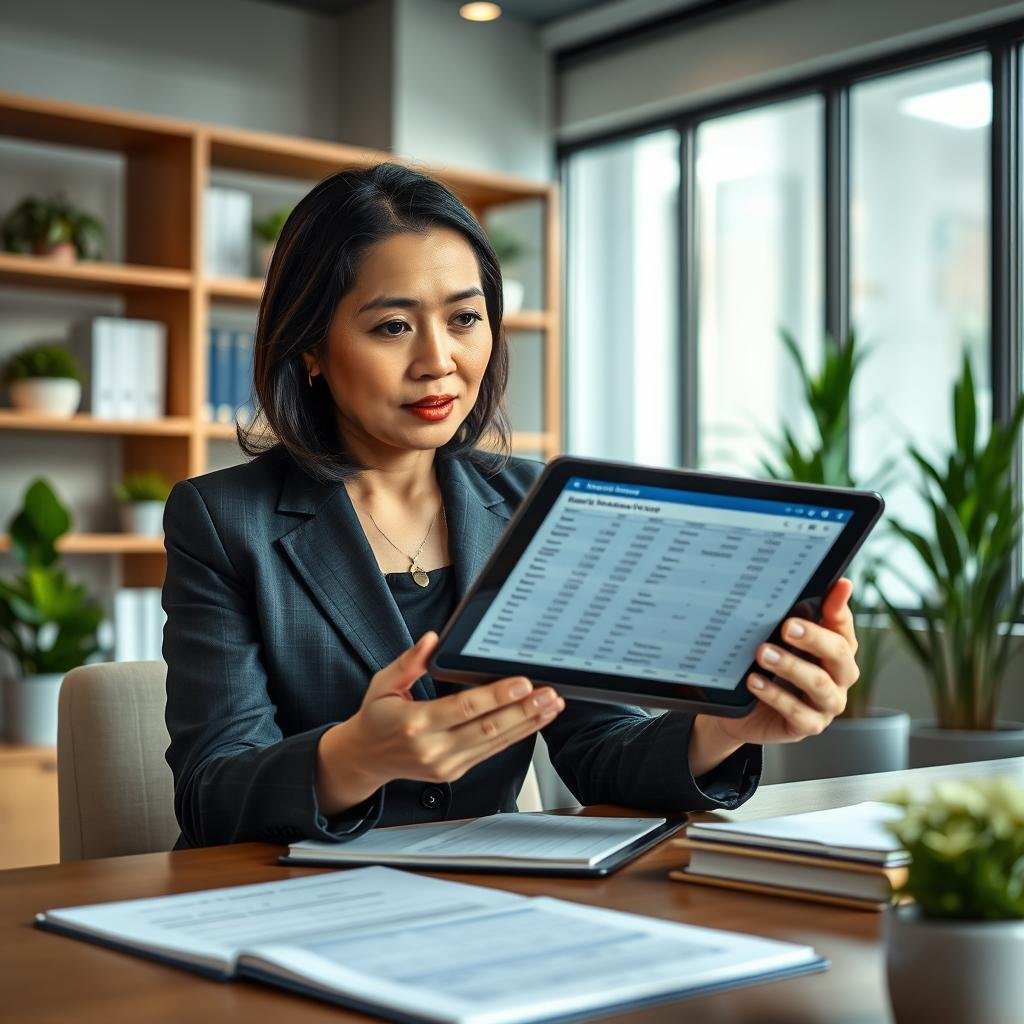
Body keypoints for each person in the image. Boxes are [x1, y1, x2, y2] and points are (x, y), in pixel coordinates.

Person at [162, 163, 861, 849]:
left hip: (489, 908)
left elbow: (598, 746)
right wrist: (355, 757)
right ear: (310, 347)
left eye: (464, 318)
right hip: (293, 908)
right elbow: (210, 796)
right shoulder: (224, 522)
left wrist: (727, 729)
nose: (438, 360)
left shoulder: (535, 503)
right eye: (392, 327)